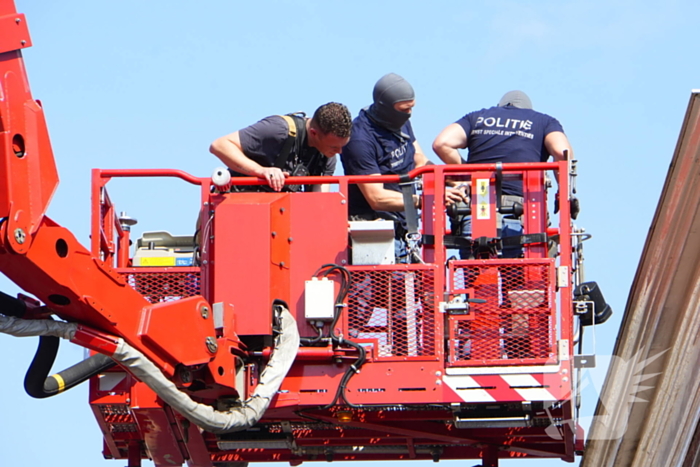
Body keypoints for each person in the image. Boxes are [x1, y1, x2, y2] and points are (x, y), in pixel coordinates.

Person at [432, 90, 573, 258]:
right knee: (516, 277)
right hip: (522, 209)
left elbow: (441, 144)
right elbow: (562, 152)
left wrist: (468, 172)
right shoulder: (544, 122)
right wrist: (565, 192)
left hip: (477, 205)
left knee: (476, 272)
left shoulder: (477, 117)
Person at [341, 73, 464, 263]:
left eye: (411, 108)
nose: (409, 114)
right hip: (374, 231)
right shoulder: (359, 139)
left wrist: (454, 180)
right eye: (404, 109)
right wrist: (427, 199)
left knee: (405, 286)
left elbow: (419, 159)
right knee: (383, 291)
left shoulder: (401, 123)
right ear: (386, 108)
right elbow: (376, 197)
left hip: (405, 226)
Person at [210, 102, 352, 192]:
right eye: (334, 147)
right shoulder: (279, 130)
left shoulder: (327, 155)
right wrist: (260, 171)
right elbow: (220, 145)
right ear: (314, 133)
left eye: (342, 147)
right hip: (236, 204)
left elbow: (320, 199)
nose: (339, 152)